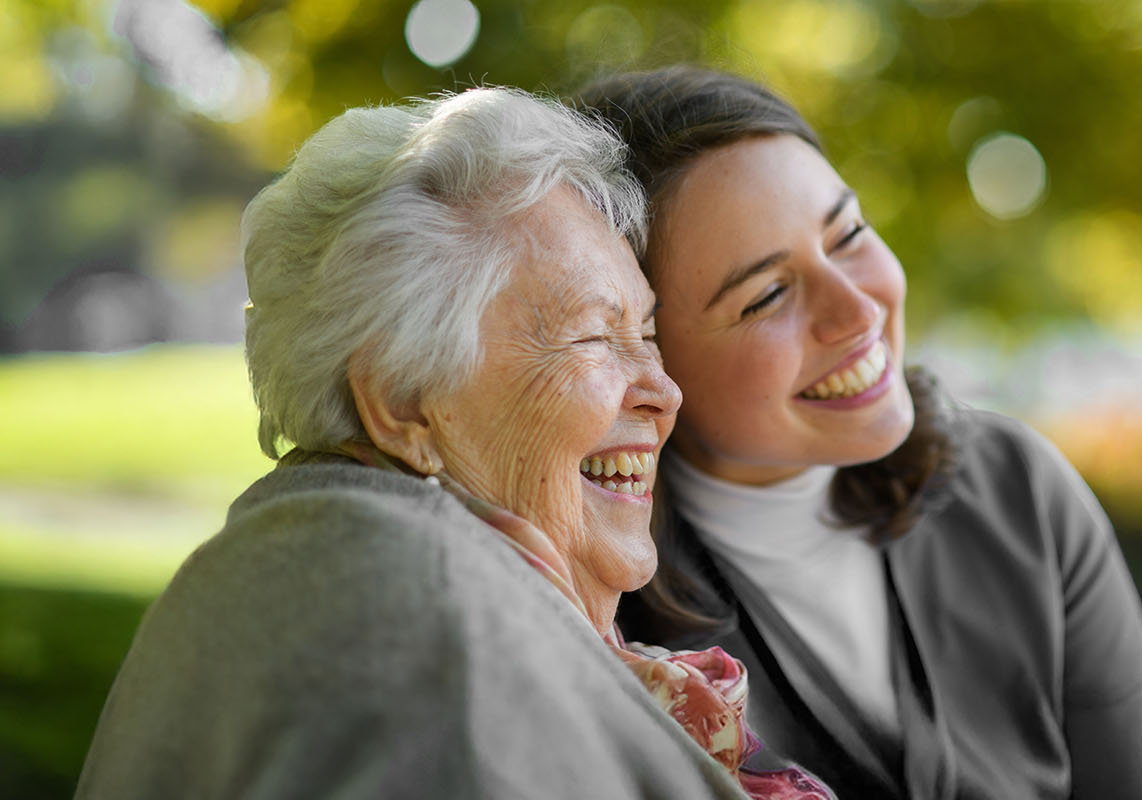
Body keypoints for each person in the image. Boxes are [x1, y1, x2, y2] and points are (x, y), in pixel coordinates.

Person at [77, 87, 828, 799]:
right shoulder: (422, 621)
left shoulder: (334, 556)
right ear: (404, 400)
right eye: (597, 336)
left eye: (649, 334)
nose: (663, 392)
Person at [576, 67, 1142, 799]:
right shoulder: (599, 608)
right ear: (648, 354)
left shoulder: (1019, 491)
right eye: (768, 295)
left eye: (848, 234)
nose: (856, 309)